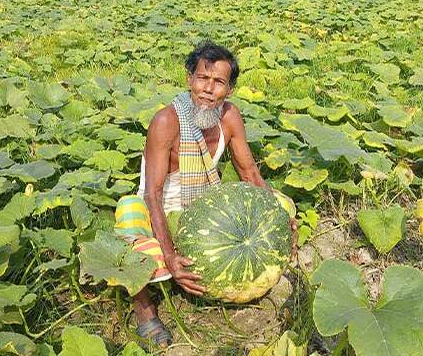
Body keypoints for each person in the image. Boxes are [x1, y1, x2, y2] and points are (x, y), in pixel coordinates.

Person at [113, 40, 295, 349]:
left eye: (218, 82)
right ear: (189, 80)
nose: (208, 89)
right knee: (129, 214)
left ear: (230, 90)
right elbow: (153, 195)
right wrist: (169, 255)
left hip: (205, 204)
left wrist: (279, 219)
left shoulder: (230, 117)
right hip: (161, 207)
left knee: (283, 204)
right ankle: (144, 309)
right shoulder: (166, 121)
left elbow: (250, 174)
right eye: (202, 78)